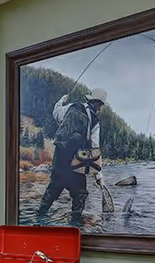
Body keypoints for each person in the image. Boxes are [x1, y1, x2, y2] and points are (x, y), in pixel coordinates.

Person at [37, 89, 110, 225]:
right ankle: (76, 225)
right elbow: (94, 150)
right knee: (80, 193)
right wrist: (99, 176)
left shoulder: (72, 106)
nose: (99, 109)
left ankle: (40, 218)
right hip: (78, 160)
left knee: (54, 187)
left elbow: (56, 114)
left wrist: (61, 100)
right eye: (100, 106)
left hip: (60, 155)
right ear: (97, 103)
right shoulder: (95, 121)